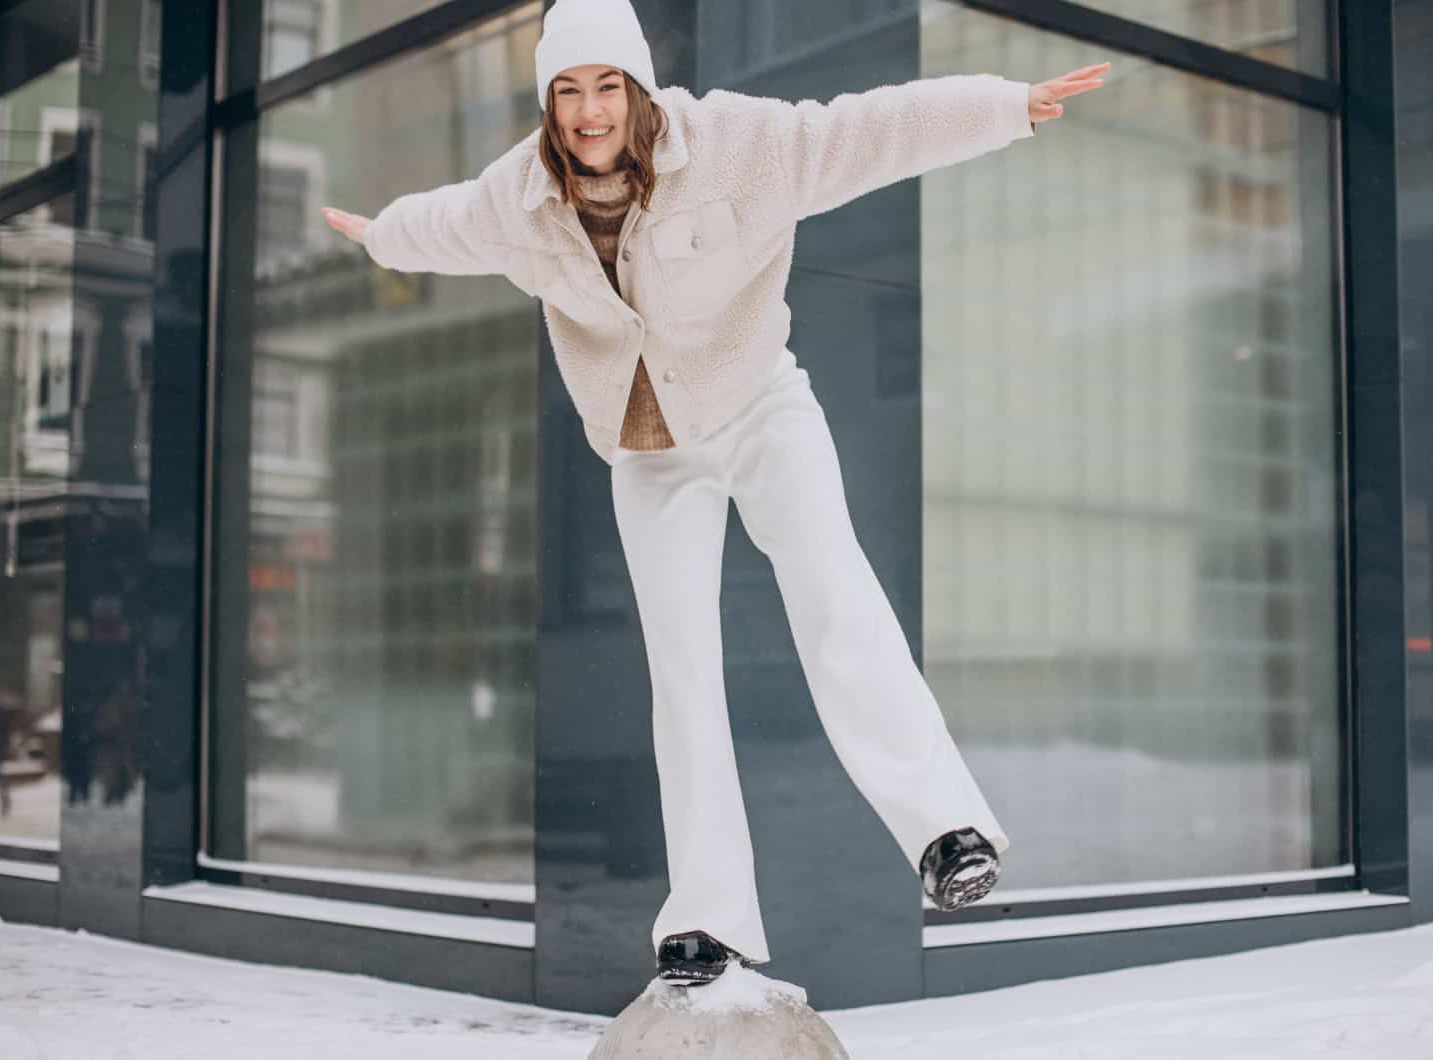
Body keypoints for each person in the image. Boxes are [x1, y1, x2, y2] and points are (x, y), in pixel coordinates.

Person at [322, 0, 1109, 988]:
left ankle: (946, 830)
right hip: (647, 451)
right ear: (547, 103)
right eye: (568, 90)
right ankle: (707, 918)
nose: (589, 110)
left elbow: (868, 126)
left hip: (757, 408)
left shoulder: (735, 142)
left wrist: (1005, 106)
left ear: (638, 88)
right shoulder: (516, 199)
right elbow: (436, 226)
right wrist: (376, 235)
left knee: (834, 591)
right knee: (682, 672)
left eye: (607, 85)